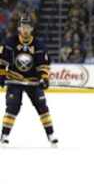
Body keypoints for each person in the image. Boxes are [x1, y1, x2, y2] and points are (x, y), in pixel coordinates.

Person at [0, 16, 58, 146]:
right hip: (15, 81)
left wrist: (44, 78)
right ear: (19, 28)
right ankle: (4, 135)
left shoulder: (39, 45)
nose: (25, 30)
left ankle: (51, 135)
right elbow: (2, 61)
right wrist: (2, 75)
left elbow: (43, 64)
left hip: (33, 82)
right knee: (12, 107)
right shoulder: (10, 43)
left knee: (42, 108)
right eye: (23, 27)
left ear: (32, 29)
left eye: (28, 27)